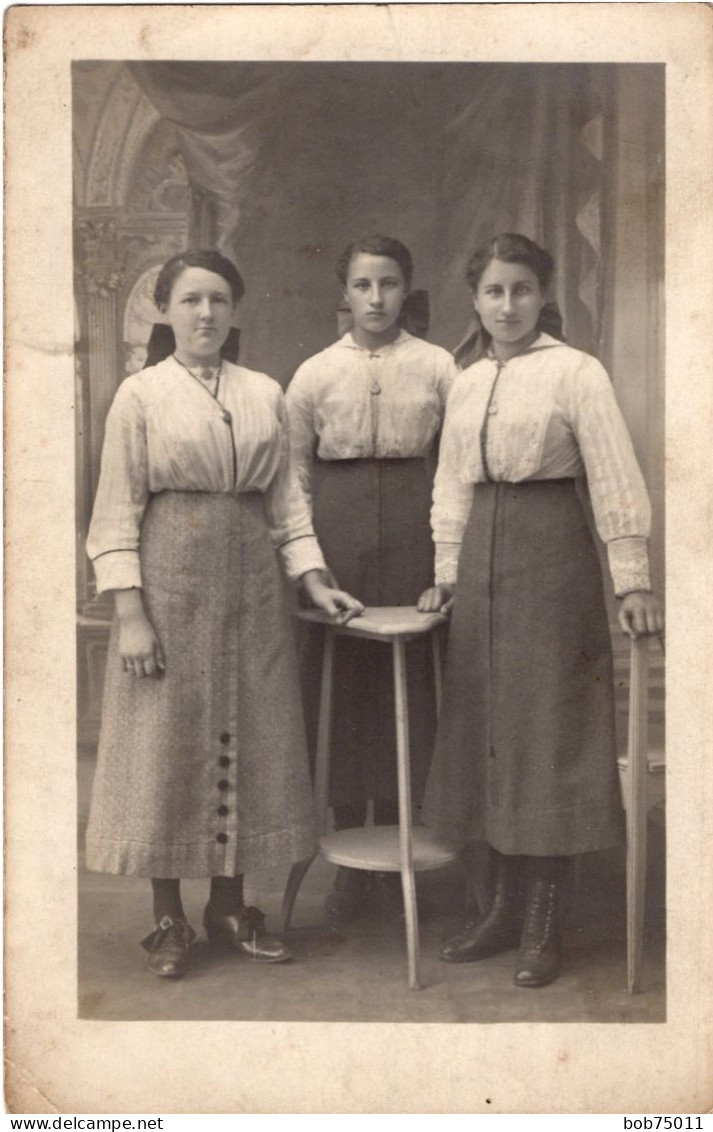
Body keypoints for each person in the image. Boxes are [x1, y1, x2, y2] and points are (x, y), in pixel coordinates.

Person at [85, 249, 362, 978]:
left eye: (217, 301)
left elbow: (287, 506)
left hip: (254, 590)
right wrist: (132, 615)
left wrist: (313, 578)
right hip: (169, 578)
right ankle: (169, 917)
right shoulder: (139, 396)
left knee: (254, 737)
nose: (204, 314)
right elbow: (114, 516)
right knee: (165, 747)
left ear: (234, 310)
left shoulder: (263, 391)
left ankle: (233, 905)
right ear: (165, 310)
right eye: (189, 301)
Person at [418, 233, 663, 987]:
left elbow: (614, 475)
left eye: (521, 290)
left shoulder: (574, 373)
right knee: (489, 734)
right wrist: (446, 573)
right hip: (481, 572)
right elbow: (453, 484)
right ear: (474, 297)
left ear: (542, 294)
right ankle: (497, 907)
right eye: (493, 291)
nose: (507, 305)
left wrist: (631, 580)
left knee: (546, 735)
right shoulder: (463, 382)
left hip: (551, 554)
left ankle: (543, 919)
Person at [285, 234, 458, 926]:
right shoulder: (314, 374)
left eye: (388, 283)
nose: (376, 298)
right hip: (339, 543)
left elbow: (455, 469)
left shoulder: (441, 367)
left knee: (414, 687)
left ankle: (401, 832)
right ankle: (349, 859)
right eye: (362, 285)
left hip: (415, 539)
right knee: (345, 690)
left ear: (406, 287)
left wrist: (445, 563)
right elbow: (292, 480)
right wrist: (311, 566)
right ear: (345, 292)